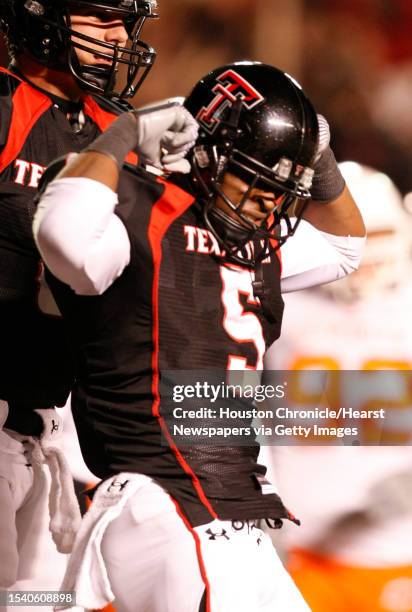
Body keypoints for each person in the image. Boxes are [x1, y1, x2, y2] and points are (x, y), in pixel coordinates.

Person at [34, 62, 365, 612]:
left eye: (281, 188)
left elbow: (346, 245)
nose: (268, 202)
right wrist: (126, 132)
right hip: (166, 499)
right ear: (208, 153)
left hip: (230, 511)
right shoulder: (137, 210)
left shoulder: (256, 244)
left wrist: (315, 142)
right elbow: (63, 234)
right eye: (255, 178)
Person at [0, 0, 162, 596]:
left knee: (40, 603)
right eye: (99, 16)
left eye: (124, 20)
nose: (117, 36)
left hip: (58, 434)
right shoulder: (7, 107)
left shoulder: (118, 128)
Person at [261, 163, 412, 612]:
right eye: (360, 241)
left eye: (382, 238)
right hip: (300, 546)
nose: (368, 258)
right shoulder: (280, 300)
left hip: (395, 548)